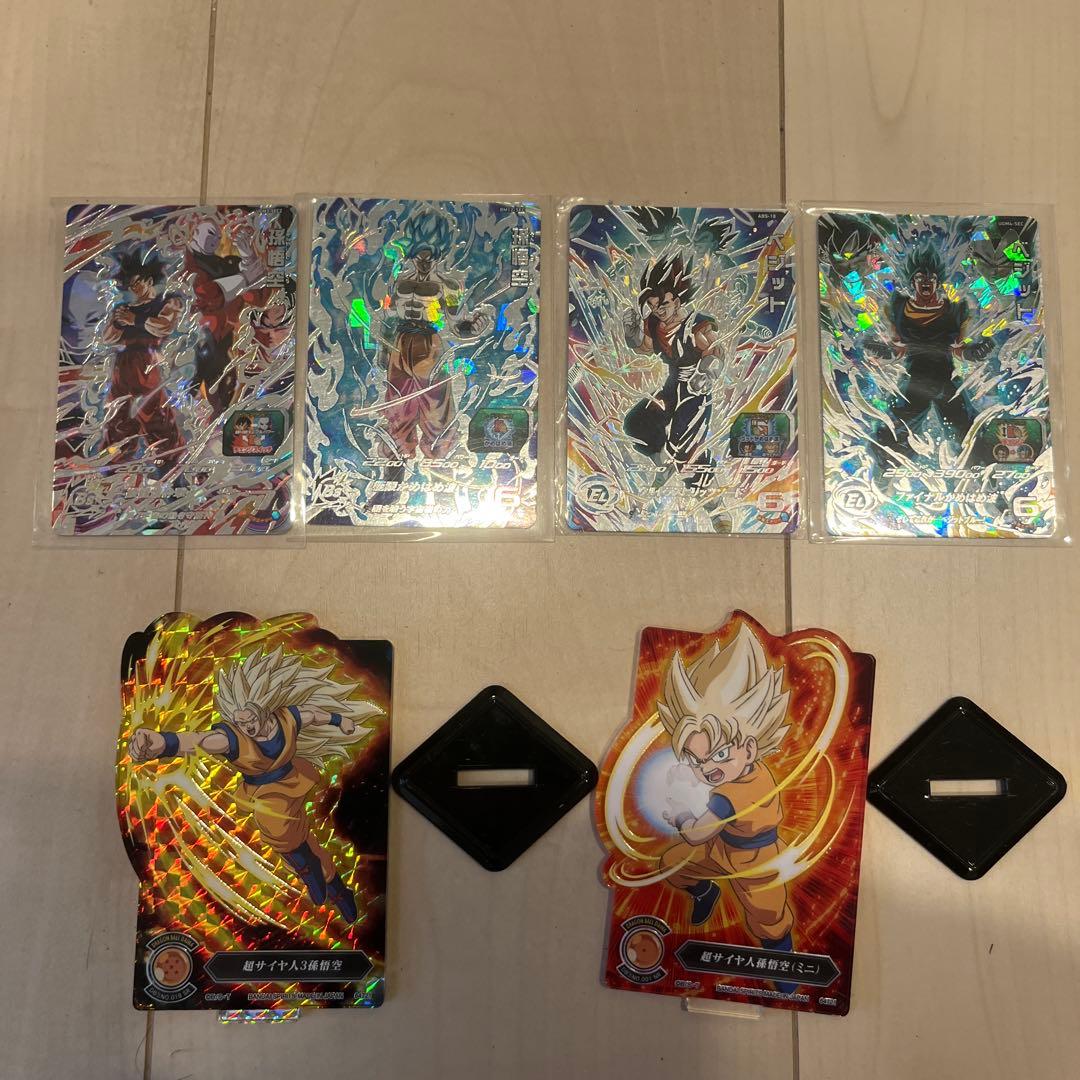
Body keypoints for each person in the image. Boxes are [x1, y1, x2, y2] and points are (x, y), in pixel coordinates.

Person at [128, 646, 380, 922]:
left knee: (289, 830)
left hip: (293, 780)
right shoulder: (232, 738)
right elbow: (200, 740)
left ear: (264, 709)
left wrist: (340, 720)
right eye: (239, 722)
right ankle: (323, 880)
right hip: (264, 792)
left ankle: (322, 878)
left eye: (248, 719)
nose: (245, 726)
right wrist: (162, 743)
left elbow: (312, 714)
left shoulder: (287, 718)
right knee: (284, 827)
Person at [657, 622, 797, 994]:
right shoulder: (743, 771)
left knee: (769, 919)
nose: (708, 769)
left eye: (719, 755)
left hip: (757, 861)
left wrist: (682, 816)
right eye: (697, 760)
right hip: (721, 850)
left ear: (749, 749)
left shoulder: (735, 793)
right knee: (673, 864)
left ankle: (784, 965)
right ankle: (706, 893)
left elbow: (698, 832)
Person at [866, 243, 994, 466]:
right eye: (920, 277)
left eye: (931, 277)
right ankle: (884, 471)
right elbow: (898, 350)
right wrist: (877, 349)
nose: (925, 281)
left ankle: (983, 471)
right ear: (912, 281)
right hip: (914, 382)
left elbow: (959, 349)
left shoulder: (955, 310)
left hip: (946, 381)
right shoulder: (899, 307)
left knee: (968, 433)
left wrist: (977, 351)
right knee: (894, 435)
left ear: (937, 281)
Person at [621, 255, 724, 498]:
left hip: (695, 392)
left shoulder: (696, 325)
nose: (658, 310)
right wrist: (632, 334)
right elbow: (646, 347)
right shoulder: (655, 324)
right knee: (638, 423)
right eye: (653, 305)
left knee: (684, 446)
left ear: (676, 300)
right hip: (672, 386)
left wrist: (706, 372)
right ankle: (664, 464)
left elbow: (715, 351)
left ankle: (712, 502)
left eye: (663, 304)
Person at [100, 245, 184, 467]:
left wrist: (135, 320)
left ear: (149, 279)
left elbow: (163, 327)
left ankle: (169, 458)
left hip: (149, 362)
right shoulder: (125, 308)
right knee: (118, 413)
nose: (135, 288)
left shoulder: (168, 302)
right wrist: (119, 322)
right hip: (124, 364)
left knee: (154, 412)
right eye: (131, 285)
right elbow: (108, 338)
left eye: (138, 282)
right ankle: (116, 458)